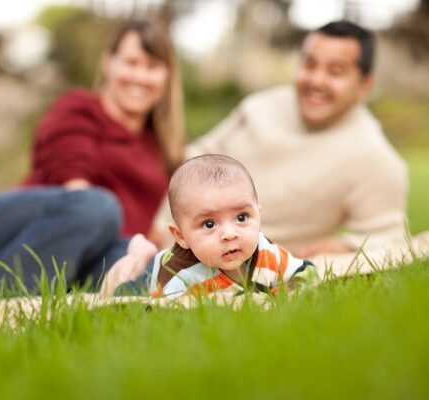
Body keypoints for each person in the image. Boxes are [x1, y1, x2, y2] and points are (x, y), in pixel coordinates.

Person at [0, 19, 185, 303]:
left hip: (88, 257)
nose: (139, 76)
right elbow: (76, 186)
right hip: (10, 238)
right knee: (99, 206)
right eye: (131, 63)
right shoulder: (80, 108)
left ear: (167, 76)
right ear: (109, 63)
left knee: (159, 271)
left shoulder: (165, 147)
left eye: (152, 67)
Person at [152, 20, 414, 264]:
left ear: (364, 85)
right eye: (309, 65)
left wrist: (347, 244)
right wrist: (156, 221)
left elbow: (391, 238)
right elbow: (197, 155)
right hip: (160, 230)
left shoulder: (372, 155)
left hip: (231, 264)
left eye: (335, 72)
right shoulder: (260, 107)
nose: (316, 80)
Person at [100, 155, 318, 298]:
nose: (229, 234)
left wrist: (289, 293)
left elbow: (306, 272)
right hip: (152, 278)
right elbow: (160, 316)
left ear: (258, 213)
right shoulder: (179, 279)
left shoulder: (266, 253)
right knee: (120, 292)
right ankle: (137, 258)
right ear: (180, 235)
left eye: (241, 217)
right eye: (209, 224)